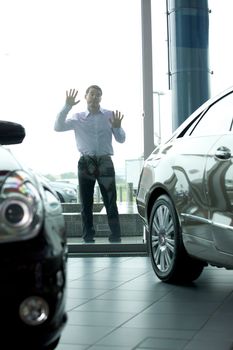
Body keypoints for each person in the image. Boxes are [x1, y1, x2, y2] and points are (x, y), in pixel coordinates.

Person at [54, 85, 126, 243]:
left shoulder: (110, 115)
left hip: (105, 161)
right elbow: (57, 127)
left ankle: (115, 235)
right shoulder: (77, 117)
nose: (95, 97)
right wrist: (67, 106)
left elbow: (121, 139)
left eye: (98, 95)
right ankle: (88, 236)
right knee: (86, 202)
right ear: (86, 97)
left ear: (101, 98)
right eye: (92, 94)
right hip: (86, 162)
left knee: (110, 200)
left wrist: (118, 127)